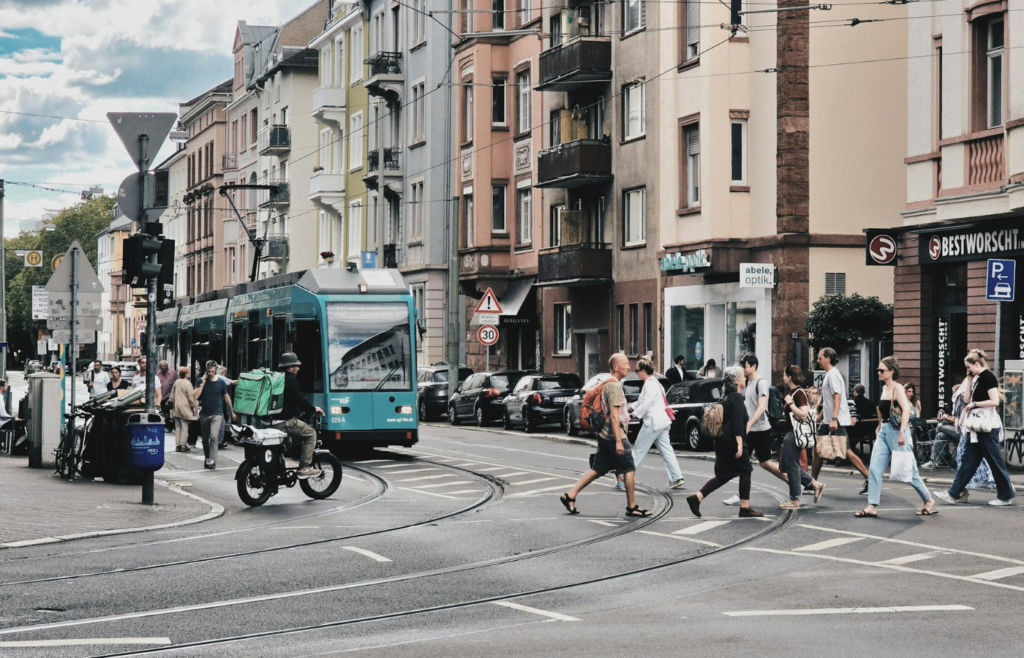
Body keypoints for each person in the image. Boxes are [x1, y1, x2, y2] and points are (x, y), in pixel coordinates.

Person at [560, 353, 651, 518]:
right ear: (616, 367)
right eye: (625, 364)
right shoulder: (614, 386)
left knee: (598, 469)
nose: (629, 367)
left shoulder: (608, 383)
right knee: (629, 469)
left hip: (604, 434)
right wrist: (619, 441)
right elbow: (614, 416)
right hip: (614, 435)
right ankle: (632, 506)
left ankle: (570, 495)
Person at [857, 356, 936, 518]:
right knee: (874, 468)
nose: (878, 373)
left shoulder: (898, 388)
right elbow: (883, 411)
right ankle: (872, 505)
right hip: (885, 430)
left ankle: (928, 500)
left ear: (891, 371)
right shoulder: (885, 388)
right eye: (878, 370)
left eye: (881, 370)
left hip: (897, 431)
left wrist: (902, 431)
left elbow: (906, 410)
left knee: (908, 469)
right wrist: (879, 425)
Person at [936, 349, 1016, 507]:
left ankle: (1005, 495)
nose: (967, 370)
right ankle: (953, 493)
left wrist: (975, 404)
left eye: (968, 367)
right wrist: (969, 380)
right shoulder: (978, 378)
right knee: (969, 461)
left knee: (994, 461)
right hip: (976, 428)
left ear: (976, 364)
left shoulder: (988, 378)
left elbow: (994, 401)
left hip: (986, 427)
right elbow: (966, 398)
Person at [686, 366, 763, 518]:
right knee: (746, 470)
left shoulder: (725, 397)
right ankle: (745, 508)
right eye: (742, 376)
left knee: (723, 475)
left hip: (722, 440)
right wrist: (740, 444)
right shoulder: (737, 397)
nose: (745, 378)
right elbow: (737, 423)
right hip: (732, 441)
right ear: (736, 381)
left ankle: (697, 498)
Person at [810, 347, 870, 494]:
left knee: (846, 451)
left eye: (820, 357)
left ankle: (870, 479)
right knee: (817, 451)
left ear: (828, 358)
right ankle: (811, 483)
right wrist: (820, 417)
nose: (818, 360)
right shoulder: (830, 375)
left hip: (834, 421)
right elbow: (831, 401)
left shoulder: (833, 375)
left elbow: (837, 398)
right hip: (829, 421)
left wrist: (835, 419)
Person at [629, 358, 685, 489]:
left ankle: (627, 475)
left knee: (638, 449)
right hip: (663, 422)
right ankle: (676, 477)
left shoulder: (649, 385)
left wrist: (634, 414)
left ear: (643, 371)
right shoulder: (655, 383)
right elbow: (641, 401)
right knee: (667, 451)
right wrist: (629, 408)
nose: (636, 373)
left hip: (653, 423)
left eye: (637, 371)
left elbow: (646, 403)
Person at [778, 365, 825, 509]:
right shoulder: (793, 392)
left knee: (792, 466)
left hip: (794, 434)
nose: (783, 377)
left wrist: (790, 404)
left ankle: (795, 499)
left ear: (790, 377)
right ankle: (815, 484)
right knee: (787, 466)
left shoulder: (798, 393)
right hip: (790, 433)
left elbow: (804, 414)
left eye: (785, 375)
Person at [741, 354, 788, 484]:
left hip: (760, 429)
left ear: (753, 366)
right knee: (745, 461)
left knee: (765, 463)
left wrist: (749, 423)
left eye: (745, 367)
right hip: (751, 429)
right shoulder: (748, 382)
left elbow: (761, 408)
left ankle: (793, 482)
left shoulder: (761, 383)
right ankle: (742, 495)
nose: (743, 370)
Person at [277, 353, 324, 479]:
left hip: (269, 421)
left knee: (287, 441)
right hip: (283, 422)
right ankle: (304, 468)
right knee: (311, 434)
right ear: (289, 367)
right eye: (296, 366)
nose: (298, 368)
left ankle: (278, 465)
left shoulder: (277, 377)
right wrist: (313, 408)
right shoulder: (290, 379)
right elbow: (299, 399)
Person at [193, 359, 235, 469]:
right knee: (205, 439)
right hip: (204, 414)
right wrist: (202, 383)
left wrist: (232, 411)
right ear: (205, 370)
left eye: (212, 371)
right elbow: (196, 396)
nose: (210, 373)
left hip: (217, 413)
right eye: (208, 371)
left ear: (215, 369)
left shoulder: (220, 382)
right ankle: (207, 458)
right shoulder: (200, 381)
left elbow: (226, 396)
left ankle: (212, 460)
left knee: (214, 436)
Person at [170, 367, 198, 453]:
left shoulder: (177, 382)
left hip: (176, 406)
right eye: (188, 372)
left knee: (177, 427)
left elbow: (172, 395)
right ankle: (183, 445)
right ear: (185, 374)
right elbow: (190, 397)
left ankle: (177, 445)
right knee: (185, 427)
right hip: (185, 407)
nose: (190, 373)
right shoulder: (188, 384)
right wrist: (193, 407)